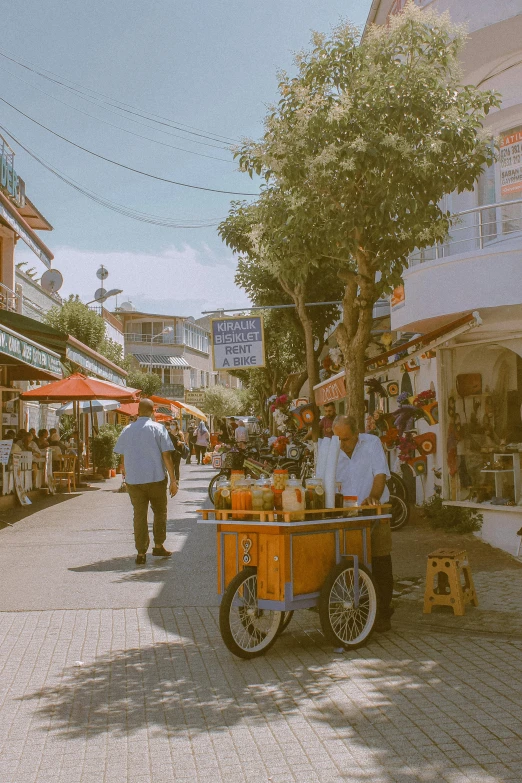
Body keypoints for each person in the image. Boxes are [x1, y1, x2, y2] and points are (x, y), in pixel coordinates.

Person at [333, 414, 394, 633]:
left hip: (374, 512)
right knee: (350, 566)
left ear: (357, 434)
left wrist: (373, 497)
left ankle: (383, 613)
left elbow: (380, 474)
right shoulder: (332, 449)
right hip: (347, 516)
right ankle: (355, 613)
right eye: (338, 439)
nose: (342, 444)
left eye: (346, 439)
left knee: (380, 562)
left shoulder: (371, 443)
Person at [114, 399, 178, 566]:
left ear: (138, 411)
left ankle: (141, 552)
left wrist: (124, 471)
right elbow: (166, 455)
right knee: (159, 512)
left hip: (134, 480)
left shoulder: (127, 430)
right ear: (152, 412)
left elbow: (122, 454)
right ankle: (158, 545)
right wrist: (173, 480)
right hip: (156, 478)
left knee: (139, 515)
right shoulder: (158, 429)